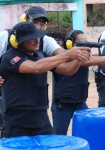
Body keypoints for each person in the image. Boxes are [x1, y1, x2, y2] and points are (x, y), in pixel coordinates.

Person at [0, 6, 88, 135]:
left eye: (38, 36)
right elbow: (36, 67)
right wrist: (68, 55)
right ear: (18, 41)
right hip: (17, 120)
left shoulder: (41, 55)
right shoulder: (10, 56)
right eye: (32, 37)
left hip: (41, 118)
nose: (37, 40)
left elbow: (66, 70)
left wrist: (78, 59)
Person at [51, 29, 105, 135]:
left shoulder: (85, 57)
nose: (85, 47)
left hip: (80, 102)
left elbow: (101, 61)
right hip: (63, 105)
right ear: (70, 44)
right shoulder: (64, 57)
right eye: (81, 43)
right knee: (58, 138)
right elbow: (92, 61)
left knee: (91, 131)